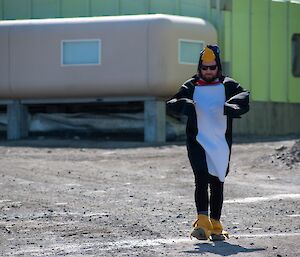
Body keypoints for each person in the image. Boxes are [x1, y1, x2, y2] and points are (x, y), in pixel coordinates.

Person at [166, 45, 250, 241]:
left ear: (218, 67)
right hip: (197, 141)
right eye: (205, 68)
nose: (209, 71)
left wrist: (232, 106)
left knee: (218, 181)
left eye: (212, 68)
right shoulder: (192, 85)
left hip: (220, 143)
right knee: (201, 179)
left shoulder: (228, 84)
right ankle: (203, 223)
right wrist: (185, 104)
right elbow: (174, 101)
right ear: (200, 68)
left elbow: (243, 97)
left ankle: (216, 224)